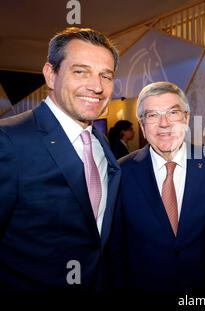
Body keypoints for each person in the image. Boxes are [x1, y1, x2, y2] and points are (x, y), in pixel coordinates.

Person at [0, 27, 121, 292]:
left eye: (106, 76)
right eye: (81, 71)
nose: (97, 86)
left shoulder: (102, 145)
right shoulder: (8, 140)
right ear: (50, 75)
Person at [109, 81, 205, 291]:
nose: (164, 123)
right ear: (142, 125)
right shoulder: (121, 172)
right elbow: (116, 246)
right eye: (152, 115)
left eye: (173, 113)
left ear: (186, 119)